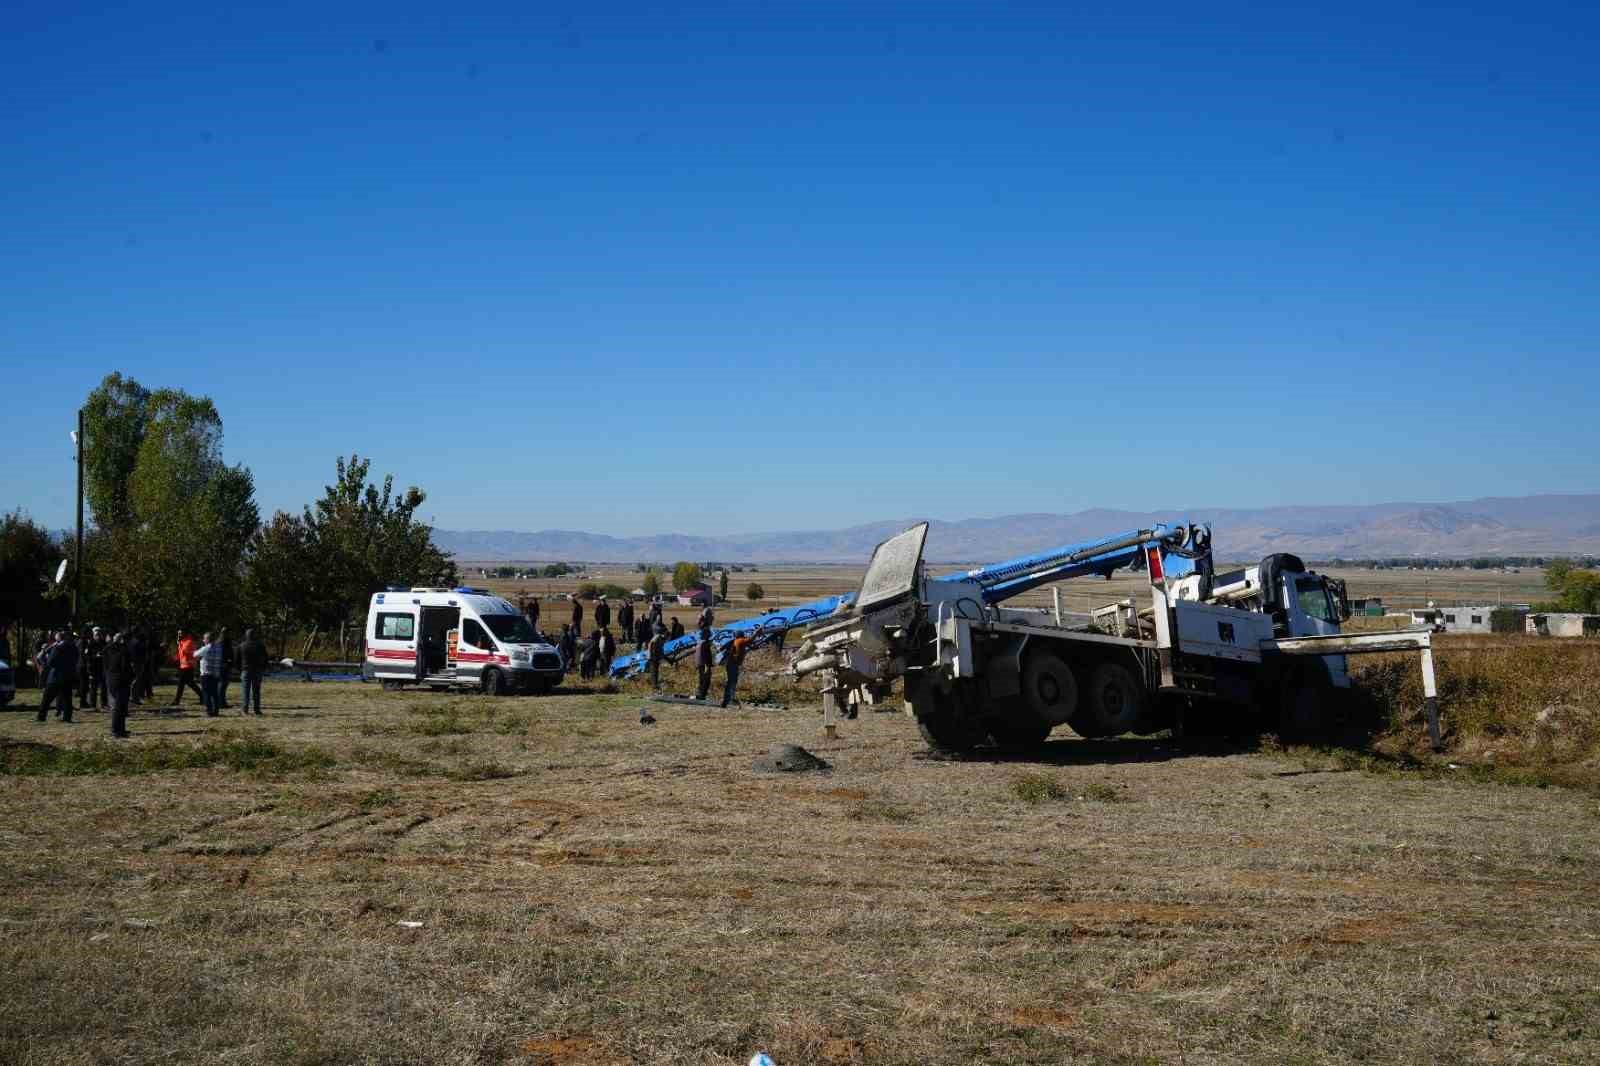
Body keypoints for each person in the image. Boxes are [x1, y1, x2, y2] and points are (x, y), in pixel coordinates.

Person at [36, 631, 77, 722]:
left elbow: (50, 662)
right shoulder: (73, 647)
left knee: (47, 698)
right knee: (67, 698)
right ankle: (67, 717)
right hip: (68, 675)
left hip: (56, 676)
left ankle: (41, 716)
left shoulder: (57, 648)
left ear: (58, 638)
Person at [104, 630, 131, 738]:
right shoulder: (123, 651)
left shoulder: (106, 649)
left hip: (111, 678)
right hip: (121, 680)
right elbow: (126, 666)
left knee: (117, 705)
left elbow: (105, 665)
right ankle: (116, 730)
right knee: (120, 706)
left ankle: (120, 729)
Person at [237, 627, 268, 715]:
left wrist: (240, 669)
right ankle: (257, 709)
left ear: (246, 636)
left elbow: (237, 659)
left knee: (245, 691)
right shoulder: (260, 645)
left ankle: (245, 709)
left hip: (245, 670)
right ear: (254, 635)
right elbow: (266, 657)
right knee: (256, 691)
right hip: (257, 670)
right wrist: (263, 667)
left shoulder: (241, 645)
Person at [170, 630, 203, 708]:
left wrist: (179, 644)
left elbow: (185, 652)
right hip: (184, 665)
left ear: (185, 633)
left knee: (181, 683)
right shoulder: (183, 641)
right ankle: (203, 696)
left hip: (188, 665)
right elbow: (181, 653)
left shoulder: (189, 641)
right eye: (178, 633)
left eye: (181, 633)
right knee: (190, 683)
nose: (179, 635)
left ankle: (176, 700)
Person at [195, 631, 224, 717]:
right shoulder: (219, 648)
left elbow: (195, 654)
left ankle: (209, 711)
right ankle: (216, 711)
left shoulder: (205, 648)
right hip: (215, 673)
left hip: (206, 674)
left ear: (207, 639)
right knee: (214, 693)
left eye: (204, 638)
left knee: (206, 693)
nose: (203, 640)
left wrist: (201, 647)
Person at [720, 633, 751, 708]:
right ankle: (728, 700)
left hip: (730, 664)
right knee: (732, 681)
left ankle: (727, 700)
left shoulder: (733, 641)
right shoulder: (739, 641)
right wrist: (757, 632)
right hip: (732, 664)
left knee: (731, 681)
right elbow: (750, 640)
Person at [128, 627, 149, 706]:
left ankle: (134, 697)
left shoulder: (133, 641)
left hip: (136, 662)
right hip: (137, 663)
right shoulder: (137, 642)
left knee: (137, 680)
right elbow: (140, 652)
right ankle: (133, 698)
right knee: (136, 680)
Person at [694, 625, 714, 701]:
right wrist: (707, 666)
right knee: (706, 680)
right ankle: (702, 695)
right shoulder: (706, 644)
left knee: (701, 679)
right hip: (705, 664)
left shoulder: (699, 643)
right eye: (709, 634)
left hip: (699, 664)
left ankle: (700, 694)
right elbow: (706, 656)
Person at [217, 627, 235, 708]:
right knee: (223, 684)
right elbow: (228, 653)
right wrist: (230, 661)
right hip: (224, 664)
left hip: (221, 664)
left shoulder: (219, 640)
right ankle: (221, 702)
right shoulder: (224, 641)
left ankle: (221, 702)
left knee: (222, 684)